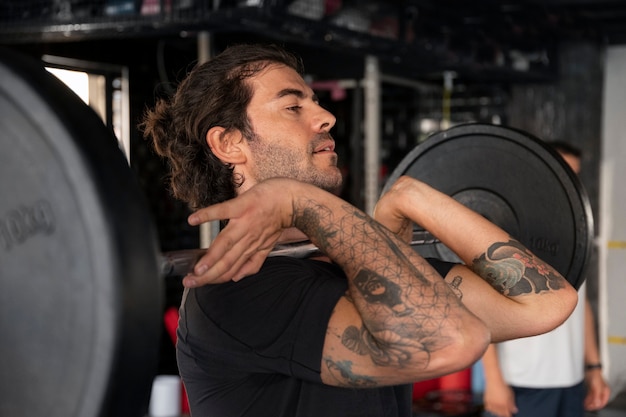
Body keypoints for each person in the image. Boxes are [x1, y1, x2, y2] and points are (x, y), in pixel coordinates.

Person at [140, 43, 577, 417]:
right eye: (294, 106)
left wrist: (410, 197)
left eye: (315, 102)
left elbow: (547, 303)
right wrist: (303, 201)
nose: (326, 116)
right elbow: (451, 342)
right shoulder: (233, 292)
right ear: (229, 144)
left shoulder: (343, 262)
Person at [480, 141, 611, 417]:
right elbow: (482, 309)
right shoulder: (507, 229)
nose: (571, 184)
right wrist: (494, 381)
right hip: (524, 382)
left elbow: (579, 305)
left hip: (572, 382)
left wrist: (593, 368)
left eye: (575, 175)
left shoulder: (576, 235)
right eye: (563, 173)